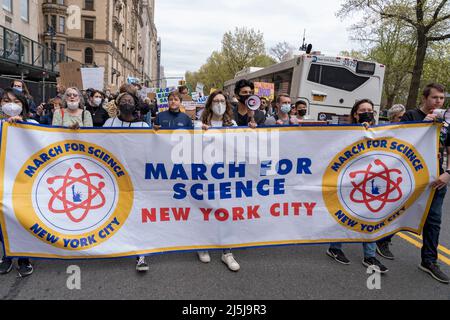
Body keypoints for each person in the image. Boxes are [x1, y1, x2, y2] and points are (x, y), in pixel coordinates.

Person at [327, 99, 389, 274]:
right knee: (344, 213)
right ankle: (335, 247)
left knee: (371, 216)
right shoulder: (346, 131)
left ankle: (369, 256)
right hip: (348, 181)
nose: (367, 112)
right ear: (355, 114)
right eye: (363, 110)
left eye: (370, 109)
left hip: (371, 182)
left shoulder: (381, 132)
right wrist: (359, 131)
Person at [401, 83, 449, 284]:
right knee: (397, 211)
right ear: (425, 98)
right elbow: (399, 144)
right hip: (409, 178)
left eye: (441, 98)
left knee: (434, 221)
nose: (438, 101)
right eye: (434, 98)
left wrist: (448, 173)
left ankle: (429, 261)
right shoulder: (411, 116)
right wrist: (424, 126)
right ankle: (381, 241)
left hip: (436, 179)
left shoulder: (446, 121)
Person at [195, 90, 240, 271]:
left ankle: (226, 251)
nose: (220, 104)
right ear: (210, 104)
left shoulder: (233, 123)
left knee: (225, 210)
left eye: (222, 101)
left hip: (226, 173)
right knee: (205, 208)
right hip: (205, 173)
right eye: (216, 101)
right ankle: (202, 245)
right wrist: (199, 131)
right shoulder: (199, 124)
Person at [0, 88, 38, 277]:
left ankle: (24, 258)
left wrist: (22, 128)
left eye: (16, 102)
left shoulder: (31, 124)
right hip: (2, 181)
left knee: (23, 217)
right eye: (7, 100)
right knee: (4, 219)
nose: (11, 105)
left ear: (23, 106)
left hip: (24, 181)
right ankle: (7, 256)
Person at [376, 104, 407, 260]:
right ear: (393, 118)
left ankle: (384, 238)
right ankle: (380, 239)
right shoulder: (385, 131)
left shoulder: (411, 133)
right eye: (401, 117)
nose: (404, 119)